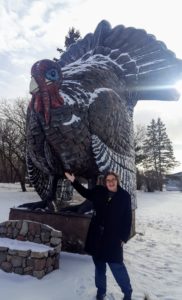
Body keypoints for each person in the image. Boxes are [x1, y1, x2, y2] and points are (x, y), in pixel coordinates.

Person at [65, 171, 133, 300]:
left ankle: (127, 293)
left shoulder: (124, 196)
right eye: (108, 180)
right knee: (99, 267)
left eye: (113, 179)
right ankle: (101, 292)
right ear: (105, 182)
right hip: (96, 236)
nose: (110, 182)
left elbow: (127, 218)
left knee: (117, 266)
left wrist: (124, 238)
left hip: (113, 238)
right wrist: (74, 181)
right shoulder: (99, 192)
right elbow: (85, 193)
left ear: (117, 180)